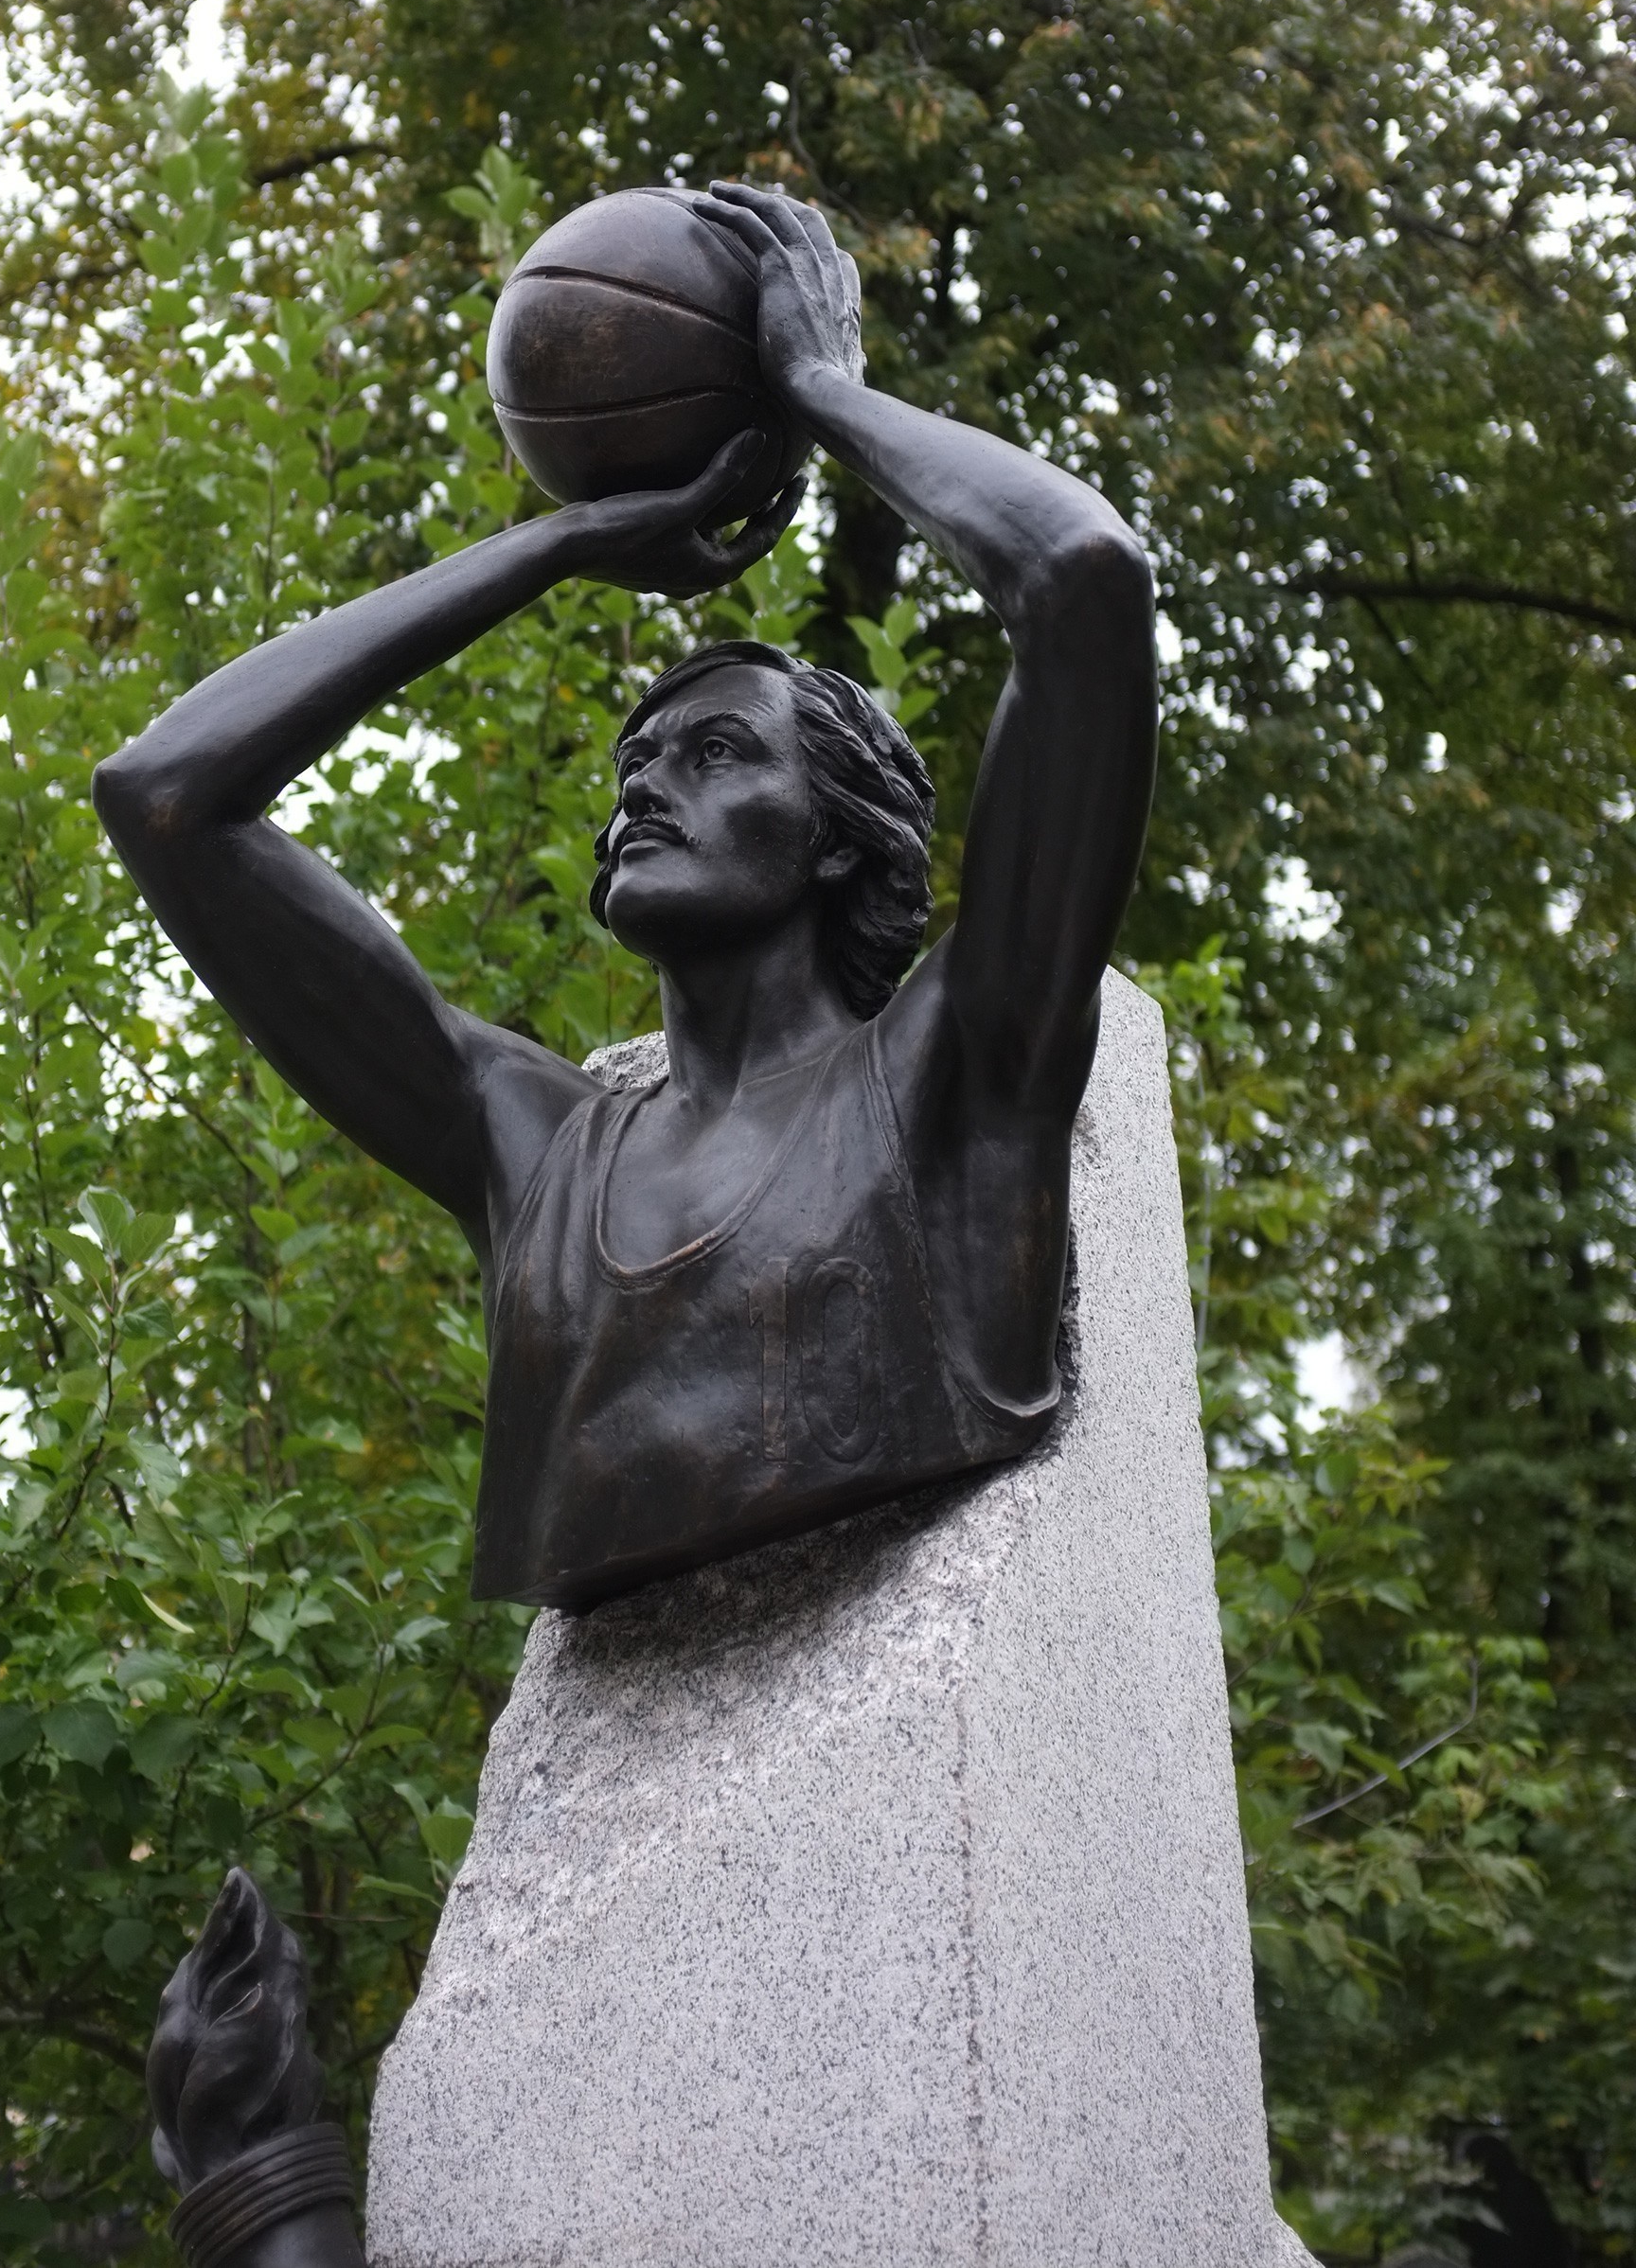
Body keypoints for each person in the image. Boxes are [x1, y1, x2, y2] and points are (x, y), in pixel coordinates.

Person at [94, 182, 1158, 1610]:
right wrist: (567, 543)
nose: (647, 787)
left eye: (717, 755)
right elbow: (167, 796)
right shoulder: (531, 1147)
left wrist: (821, 393)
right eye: (637, 760)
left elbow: (1084, 581)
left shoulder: (957, 1076)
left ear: (840, 840)